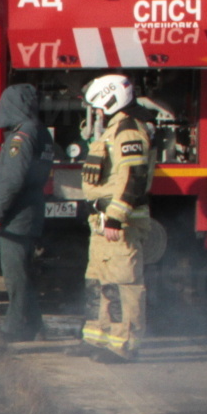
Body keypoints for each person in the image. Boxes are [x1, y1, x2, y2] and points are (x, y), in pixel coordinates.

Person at [78, 73, 152, 360]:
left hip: (119, 223)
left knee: (124, 283)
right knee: (98, 281)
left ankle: (124, 345)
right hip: (103, 220)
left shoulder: (129, 131)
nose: (96, 113)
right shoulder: (115, 129)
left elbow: (133, 176)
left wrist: (115, 218)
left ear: (110, 100)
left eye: (98, 107)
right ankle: (97, 337)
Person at [0, 83, 56, 342]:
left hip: (16, 218)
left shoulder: (21, 136)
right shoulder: (41, 133)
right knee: (24, 274)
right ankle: (35, 326)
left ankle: (14, 328)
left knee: (15, 276)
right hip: (32, 212)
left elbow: (11, 180)